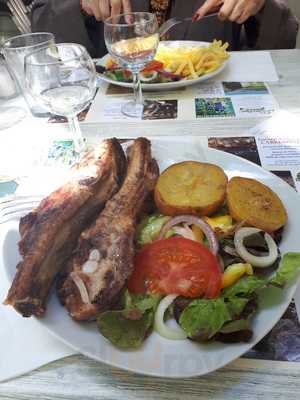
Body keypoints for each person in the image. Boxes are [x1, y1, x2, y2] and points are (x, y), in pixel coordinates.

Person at [31, 0, 298, 58]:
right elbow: (41, 41)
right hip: (110, 113)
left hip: (209, 114)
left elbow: (281, 48)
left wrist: (261, 5)